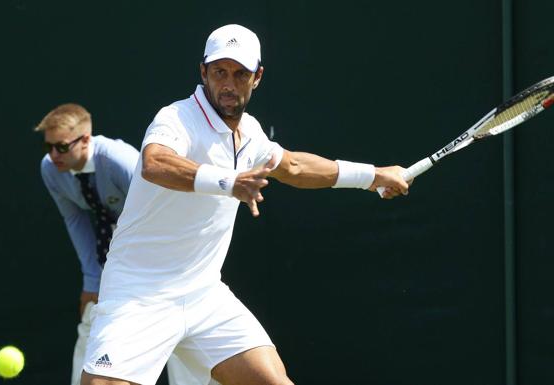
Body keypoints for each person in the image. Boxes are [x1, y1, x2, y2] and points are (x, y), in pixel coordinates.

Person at [81, 24, 410, 385]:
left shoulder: (250, 133)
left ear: (257, 77)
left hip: (204, 295)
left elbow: (295, 167)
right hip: (139, 294)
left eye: (240, 74)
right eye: (219, 72)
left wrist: (373, 175)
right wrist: (229, 181)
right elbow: (155, 164)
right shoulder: (175, 118)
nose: (228, 84)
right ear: (203, 71)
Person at [36, 103, 204, 385]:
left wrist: (163, 272)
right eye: (49, 147)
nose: (54, 155)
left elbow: (164, 211)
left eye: (62, 147)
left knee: (179, 336)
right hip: (119, 261)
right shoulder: (51, 170)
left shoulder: (119, 161)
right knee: (91, 325)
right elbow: (75, 221)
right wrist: (92, 280)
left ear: (85, 139)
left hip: (163, 256)